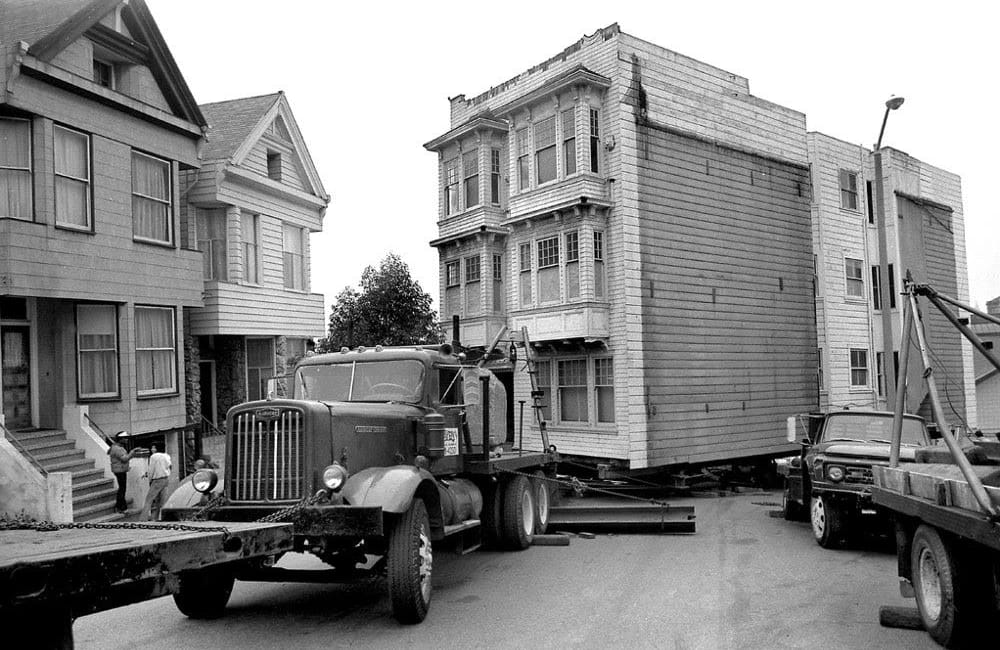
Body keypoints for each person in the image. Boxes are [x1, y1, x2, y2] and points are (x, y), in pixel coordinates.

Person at [107, 431, 140, 513]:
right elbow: (124, 459)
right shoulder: (117, 449)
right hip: (120, 471)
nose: (127, 440)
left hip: (120, 470)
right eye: (125, 438)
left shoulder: (116, 447)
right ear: (121, 439)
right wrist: (132, 453)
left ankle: (120, 506)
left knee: (122, 488)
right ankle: (121, 507)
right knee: (122, 489)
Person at [142, 443, 172, 521]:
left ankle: (143, 519)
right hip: (165, 479)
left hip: (157, 480)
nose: (152, 449)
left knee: (149, 500)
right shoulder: (166, 456)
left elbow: (151, 469)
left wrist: (149, 479)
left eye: (153, 448)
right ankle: (159, 518)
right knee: (162, 500)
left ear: (157, 449)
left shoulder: (153, 457)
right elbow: (169, 466)